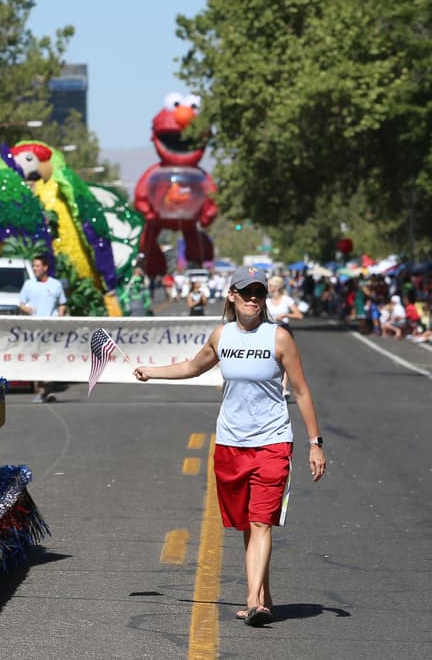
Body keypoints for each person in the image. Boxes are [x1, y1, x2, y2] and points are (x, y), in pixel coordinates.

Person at [134, 266, 325, 627]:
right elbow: (192, 367)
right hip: (231, 444)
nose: (253, 298)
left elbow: (300, 390)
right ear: (232, 296)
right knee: (246, 524)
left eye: (259, 292)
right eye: (246, 292)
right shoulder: (222, 336)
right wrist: (152, 371)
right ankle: (264, 595)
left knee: (260, 521)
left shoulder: (279, 337)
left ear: (265, 297)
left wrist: (315, 443)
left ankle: (254, 601)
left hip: (272, 442)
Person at [17, 255, 68, 403]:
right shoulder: (29, 284)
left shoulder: (56, 285)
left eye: (37, 266)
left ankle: (49, 391)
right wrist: (28, 309)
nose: (35, 269)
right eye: (33, 266)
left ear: (45, 267)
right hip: (34, 330)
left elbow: (62, 303)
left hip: (51, 330)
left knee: (50, 359)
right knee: (36, 359)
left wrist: (60, 314)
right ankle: (40, 391)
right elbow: (21, 303)